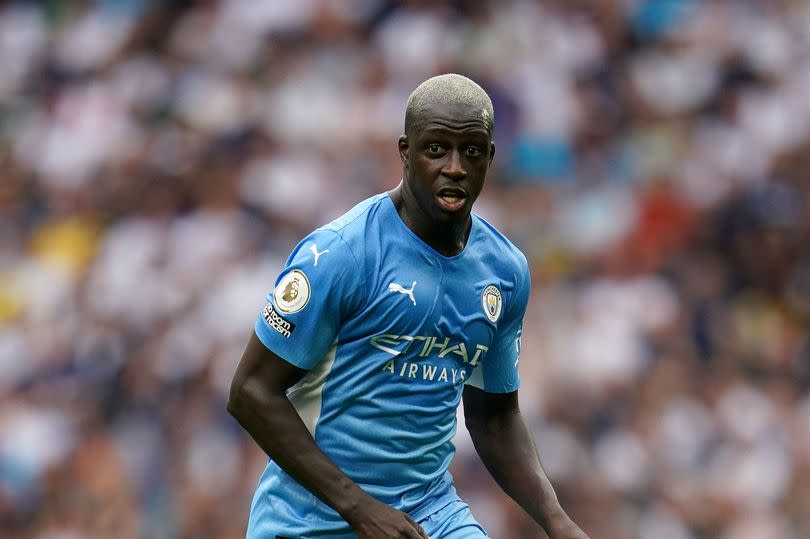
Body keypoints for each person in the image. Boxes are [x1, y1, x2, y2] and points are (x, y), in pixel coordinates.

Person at [228, 74, 589, 539]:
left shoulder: (504, 270)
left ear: (490, 158)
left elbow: (494, 415)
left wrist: (557, 522)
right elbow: (250, 392)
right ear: (405, 151)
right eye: (436, 149)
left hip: (431, 515)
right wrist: (358, 507)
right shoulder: (342, 254)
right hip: (312, 520)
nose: (455, 166)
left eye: (471, 151)